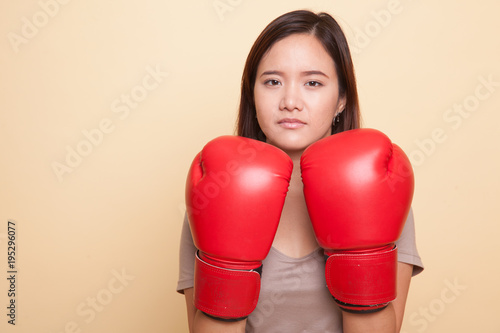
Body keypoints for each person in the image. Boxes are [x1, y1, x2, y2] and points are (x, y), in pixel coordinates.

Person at [177, 9, 423, 333]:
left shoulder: (380, 191)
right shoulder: (214, 190)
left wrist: (361, 254)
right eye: (273, 81)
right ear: (252, 93)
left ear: (341, 100)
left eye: (313, 82)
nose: (290, 101)